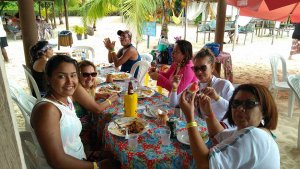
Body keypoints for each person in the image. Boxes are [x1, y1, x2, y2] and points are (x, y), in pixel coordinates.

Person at [31, 55, 119, 169]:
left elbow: (69, 143)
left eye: (73, 75)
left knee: (116, 157)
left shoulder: (66, 99)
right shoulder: (47, 110)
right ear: (48, 79)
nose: (70, 81)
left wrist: (88, 155)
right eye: (61, 76)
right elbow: (56, 161)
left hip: (79, 159)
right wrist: (96, 166)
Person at [179, 83, 279, 169]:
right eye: (236, 103)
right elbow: (218, 135)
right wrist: (208, 113)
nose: (240, 108)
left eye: (249, 104)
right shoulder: (258, 131)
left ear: (265, 111)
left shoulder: (254, 135)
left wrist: (190, 117)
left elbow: (205, 165)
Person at [170, 48, 234, 125]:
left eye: (203, 68)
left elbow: (234, 110)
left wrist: (217, 98)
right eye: (196, 69)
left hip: (217, 129)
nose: (199, 72)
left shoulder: (224, 85)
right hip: (197, 127)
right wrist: (174, 88)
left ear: (212, 67)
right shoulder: (193, 86)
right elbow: (173, 104)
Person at [74, 60, 112, 150]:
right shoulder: (77, 88)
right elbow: (97, 109)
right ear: (78, 75)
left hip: (88, 125)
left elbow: (86, 96)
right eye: (85, 74)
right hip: (81, 133)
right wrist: (111, 100)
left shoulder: (85, 87)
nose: (90, 77)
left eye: (93, 74)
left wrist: (100, 95)